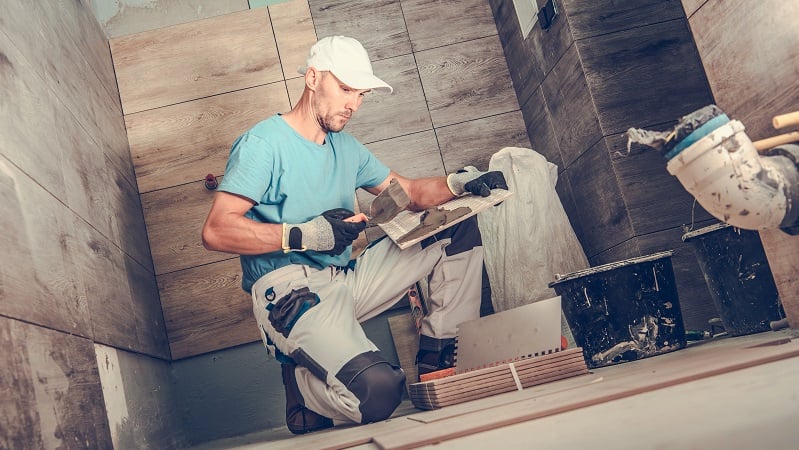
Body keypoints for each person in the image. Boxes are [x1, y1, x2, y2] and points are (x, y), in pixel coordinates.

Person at [201, 35, 507, 435]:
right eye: (345, 89)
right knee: (379, 393)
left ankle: (440, 359)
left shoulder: (347, 148)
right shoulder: (263, 145)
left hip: (347, 279)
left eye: (361, 94)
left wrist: (460, 183)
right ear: (313, 78)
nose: (353, 104)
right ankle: (303, 392)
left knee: (454, 227)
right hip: (291, 293)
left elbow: (410, 193)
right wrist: (306, 234)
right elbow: (216, 230)